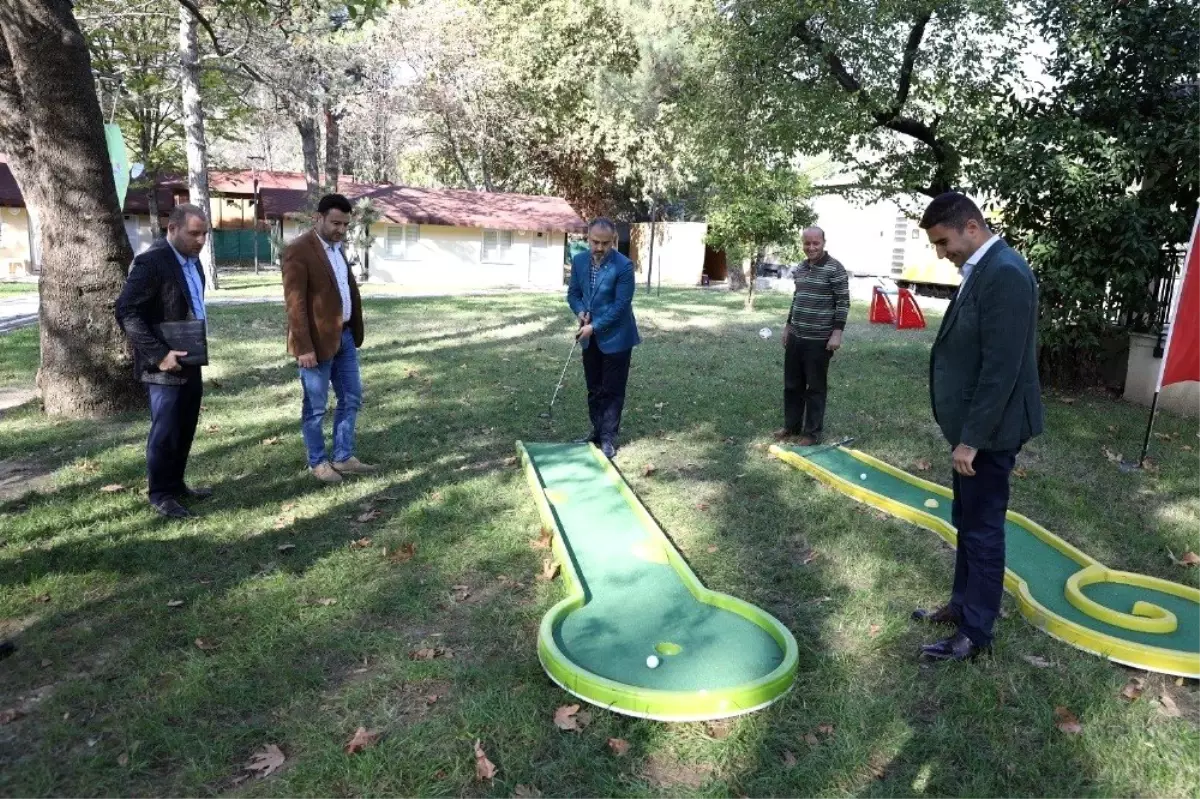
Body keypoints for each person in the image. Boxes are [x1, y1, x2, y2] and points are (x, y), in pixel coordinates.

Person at [913, 191, 1044, 662]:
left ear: (972, 226)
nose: (941, 253)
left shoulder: (1006, 273)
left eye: (944, 242)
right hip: (973, 429)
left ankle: (976, 633)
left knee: (984, 528)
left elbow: (1001, 368)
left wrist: (972, 439)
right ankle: (963, 603)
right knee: (966, 521)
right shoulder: (983, 269)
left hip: (991, 432)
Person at [115, 204, 213, 519]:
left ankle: (176, 484)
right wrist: (159, 355)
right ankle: (160, 494)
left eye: (205, 234)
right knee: (166, 429)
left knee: (185, 426)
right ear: (172, 229)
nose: (201, 240)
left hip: (191, 358)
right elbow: (127, 311)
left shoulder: (194, 263)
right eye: (194, 233)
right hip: (163, 366)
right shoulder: (152, 262)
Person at [282, 193, 376, 483]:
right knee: (316, 405)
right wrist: (304, 347)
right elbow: (294, 305)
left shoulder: (336, 249)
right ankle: (318, 462)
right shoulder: (299, 250)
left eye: (345, 225)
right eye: (335, 223)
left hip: (344, 337)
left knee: (351, 397)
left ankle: (343, 456)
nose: (341, 230)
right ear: (318, 218)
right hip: (315, 343)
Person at [566, 218, 641, 459]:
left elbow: (621, 306)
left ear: (613, 241)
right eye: (595, 242)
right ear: (588, 238)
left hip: (617, 338)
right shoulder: (578, 261)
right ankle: (597, 432)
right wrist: (579, 311)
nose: (599, 247)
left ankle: (608, 438)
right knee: (594, 388)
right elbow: (574, 294)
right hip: (590, 338)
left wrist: (594, 326)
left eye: (605, 243)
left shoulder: (624, 266)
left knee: (612, 390)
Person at [775, 227, 849, 446]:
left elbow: (843, 302)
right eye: (807, 243)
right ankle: (791, 426)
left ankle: (811, 434)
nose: (811, 247)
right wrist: (788, 326)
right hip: (797, 336)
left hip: (819, 340)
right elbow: (797, 298)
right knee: (792, 385)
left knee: (815, 388)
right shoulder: (800, 267)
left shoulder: (835, 268)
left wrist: (837, 333)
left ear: (824, 242)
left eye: (815, 243)